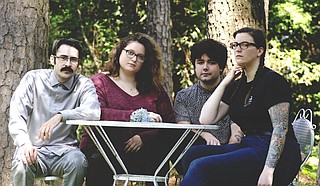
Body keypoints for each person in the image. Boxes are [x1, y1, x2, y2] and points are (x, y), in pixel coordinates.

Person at [180, 27, 301, 186]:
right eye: (235, 45)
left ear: (259, 50)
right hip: (249, 145)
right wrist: (225, 81)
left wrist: (268, 170)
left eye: (244, 45)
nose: (238, 49)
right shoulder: (238, 85)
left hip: (276, 153)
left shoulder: (272, 81)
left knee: (200, 166)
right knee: (192, 155)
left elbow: (280, 129)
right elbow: (206, 119)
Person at [80, 32, 175, 186]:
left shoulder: (154, 89)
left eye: (140, 56)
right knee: (98, 160)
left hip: (142, 152)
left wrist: (145, 137)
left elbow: (170, 123)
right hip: (104, 151)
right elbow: (97, 113)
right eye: (130, 52)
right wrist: (138, 116)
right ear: (119, 52)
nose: (134, 59)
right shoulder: (99, 82)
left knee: (159, 152)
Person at [8, 38, 101, 186]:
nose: (68, 64)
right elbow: (17, 115)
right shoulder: (33, 79)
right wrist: (24, 143)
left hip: (66, 152)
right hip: (34, 150)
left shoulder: (83, 84)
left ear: (78, 63)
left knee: (78, 163)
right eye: (63, 58)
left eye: (73, 60)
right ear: (52, 59)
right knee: (21, 162)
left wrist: (61, 116)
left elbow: (93, 112)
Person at [172, 39, 243, 174]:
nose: (205, 67)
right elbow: (183, 127)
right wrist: (204, 134)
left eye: (211, 62)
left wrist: (233, 143)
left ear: (221, 67)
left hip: (226, 150)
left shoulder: (234, 92)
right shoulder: (184, 96)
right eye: (200, 62)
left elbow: (236, 125)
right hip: (195, 149)